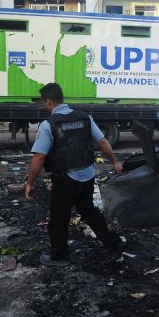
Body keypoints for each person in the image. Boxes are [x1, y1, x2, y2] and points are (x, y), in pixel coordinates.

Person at [25, 83, 125, 267]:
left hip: (65, 179)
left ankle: (59, 256)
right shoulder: (85, 118)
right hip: (87, 175)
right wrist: (114, 162)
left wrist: (29, 183)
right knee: (88, 211)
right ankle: (114, 244)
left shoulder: (48, 124)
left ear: (48, 102)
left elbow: (39, 156)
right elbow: (102, 141)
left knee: (58, 218)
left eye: (44, 103)